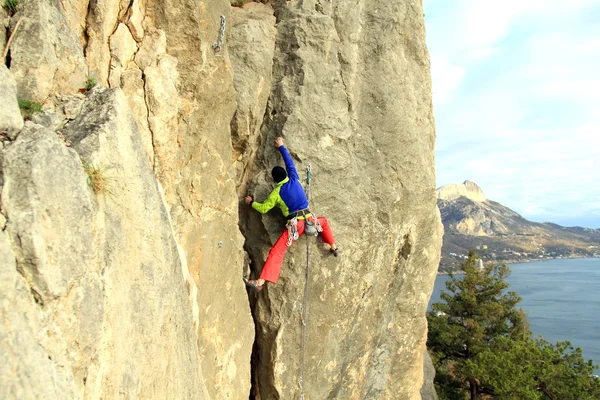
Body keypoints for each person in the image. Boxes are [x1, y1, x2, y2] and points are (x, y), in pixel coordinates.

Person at [244, 137, 338, 292]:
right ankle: (334, 246)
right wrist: (281, 146)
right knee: (325, 222)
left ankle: (260, 282)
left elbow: (264, 208)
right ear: (286, 174)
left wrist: (251, 203)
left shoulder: (276, 193)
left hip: (296, 227)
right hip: (311, 220)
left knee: (277, 250)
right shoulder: (293, 177)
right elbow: (289, 162)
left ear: (274, 180)